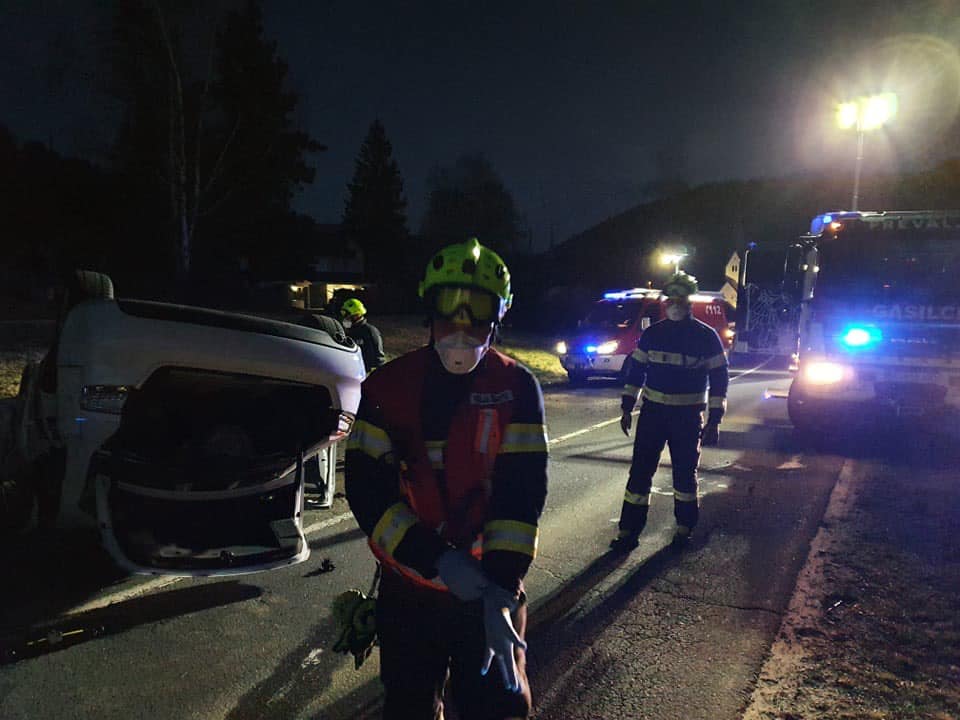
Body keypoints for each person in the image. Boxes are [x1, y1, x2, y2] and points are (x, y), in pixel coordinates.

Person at [344, 238, 548, 720]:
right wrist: (434, 560)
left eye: (476, 309)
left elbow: (521, 497)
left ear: (498, 317)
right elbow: (367, 493)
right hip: (410, 594)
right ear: (428, 310)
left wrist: (500, 588)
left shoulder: (517, 388)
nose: (461, 325)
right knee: (410, 708)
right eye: (448, 306)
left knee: (497, 709)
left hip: (488, 597)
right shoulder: (387, 388)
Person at [610, 271, 729, 552]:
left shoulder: (705, 337)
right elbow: (636, 372)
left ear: (689, 302)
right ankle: (628, 532)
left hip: (687, 419)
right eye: (670, 299)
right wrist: (627, 407)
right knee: (639, 473)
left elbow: (720, 379)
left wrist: (714, 420)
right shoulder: (653, 334)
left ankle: (684, 529)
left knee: (684, 476)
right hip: (653, 415)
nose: (674, 304)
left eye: (680, 299)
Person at [340, 297, 386, 372]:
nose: (345, 317)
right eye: (343, 313)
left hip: (366, 371)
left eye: (347, 314)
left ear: (357, 314)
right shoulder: (348, 331)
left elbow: (379, 358)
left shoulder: (370, 331)